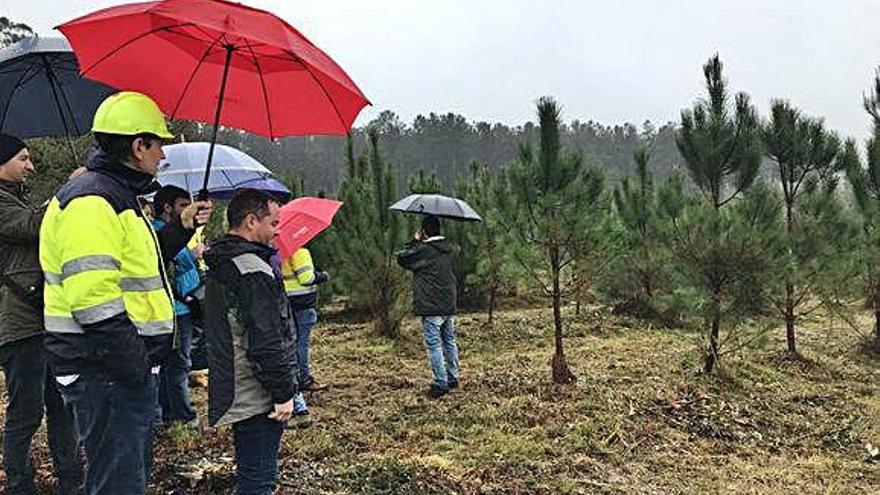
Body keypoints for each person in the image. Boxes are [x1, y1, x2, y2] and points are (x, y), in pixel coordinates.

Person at [39, 91, 212, 495]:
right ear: (138, 146)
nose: (163, 156)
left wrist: (181, 228)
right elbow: (93, 299)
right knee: (118, 482)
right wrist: (135, 366)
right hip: (106, 369)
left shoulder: (118, 197)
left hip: (114, 368)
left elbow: (142, 269)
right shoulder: (93, 201)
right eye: (159, 145)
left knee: (125, 473)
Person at [0, 133, 83, 495]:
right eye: (22, 158)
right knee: (26, 412)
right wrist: (70, 188)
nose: (30, 165)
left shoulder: (15, 198)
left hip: (42, 319)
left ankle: (71, 480)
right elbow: (35, 226)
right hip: (18, 325)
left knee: (61, 405)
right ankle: (20, 486)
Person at [204, 189, 298, 495]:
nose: (277, 230)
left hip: (237, 384)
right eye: (273, 223)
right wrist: (283, 392)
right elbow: (266, 339)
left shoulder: (224, 262)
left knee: (251, 473)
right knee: (258, 480)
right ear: (250, 221)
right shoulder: (252, 270)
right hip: (256, 392)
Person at [153, 185, 204, 428]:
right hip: (176, 309)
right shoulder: (159, 233)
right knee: (178, 364)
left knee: (175, 363)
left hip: (183, 307)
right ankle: (182, 414)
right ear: (167, 207)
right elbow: (173, 266)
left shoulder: (174, 233)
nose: (187, 210)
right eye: (183, 205)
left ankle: (168, 411)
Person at [396, 215, 460, 399]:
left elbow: (402, 259)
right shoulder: (449, 248)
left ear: (424, 231)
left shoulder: (424, 250)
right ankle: (452, 376)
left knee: (433, 343)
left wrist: (414, 241)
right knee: (449, 339)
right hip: (448, 301)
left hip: (431, 304)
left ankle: (441, 383)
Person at [281, 246, 330, 413]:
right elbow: (306, 278)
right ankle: (304, 378)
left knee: (291, 343)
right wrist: (322, 276)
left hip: (287, 302)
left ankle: (294, 377)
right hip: (303, 304)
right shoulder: (300, 252)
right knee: (302, 344)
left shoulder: (279, 253)